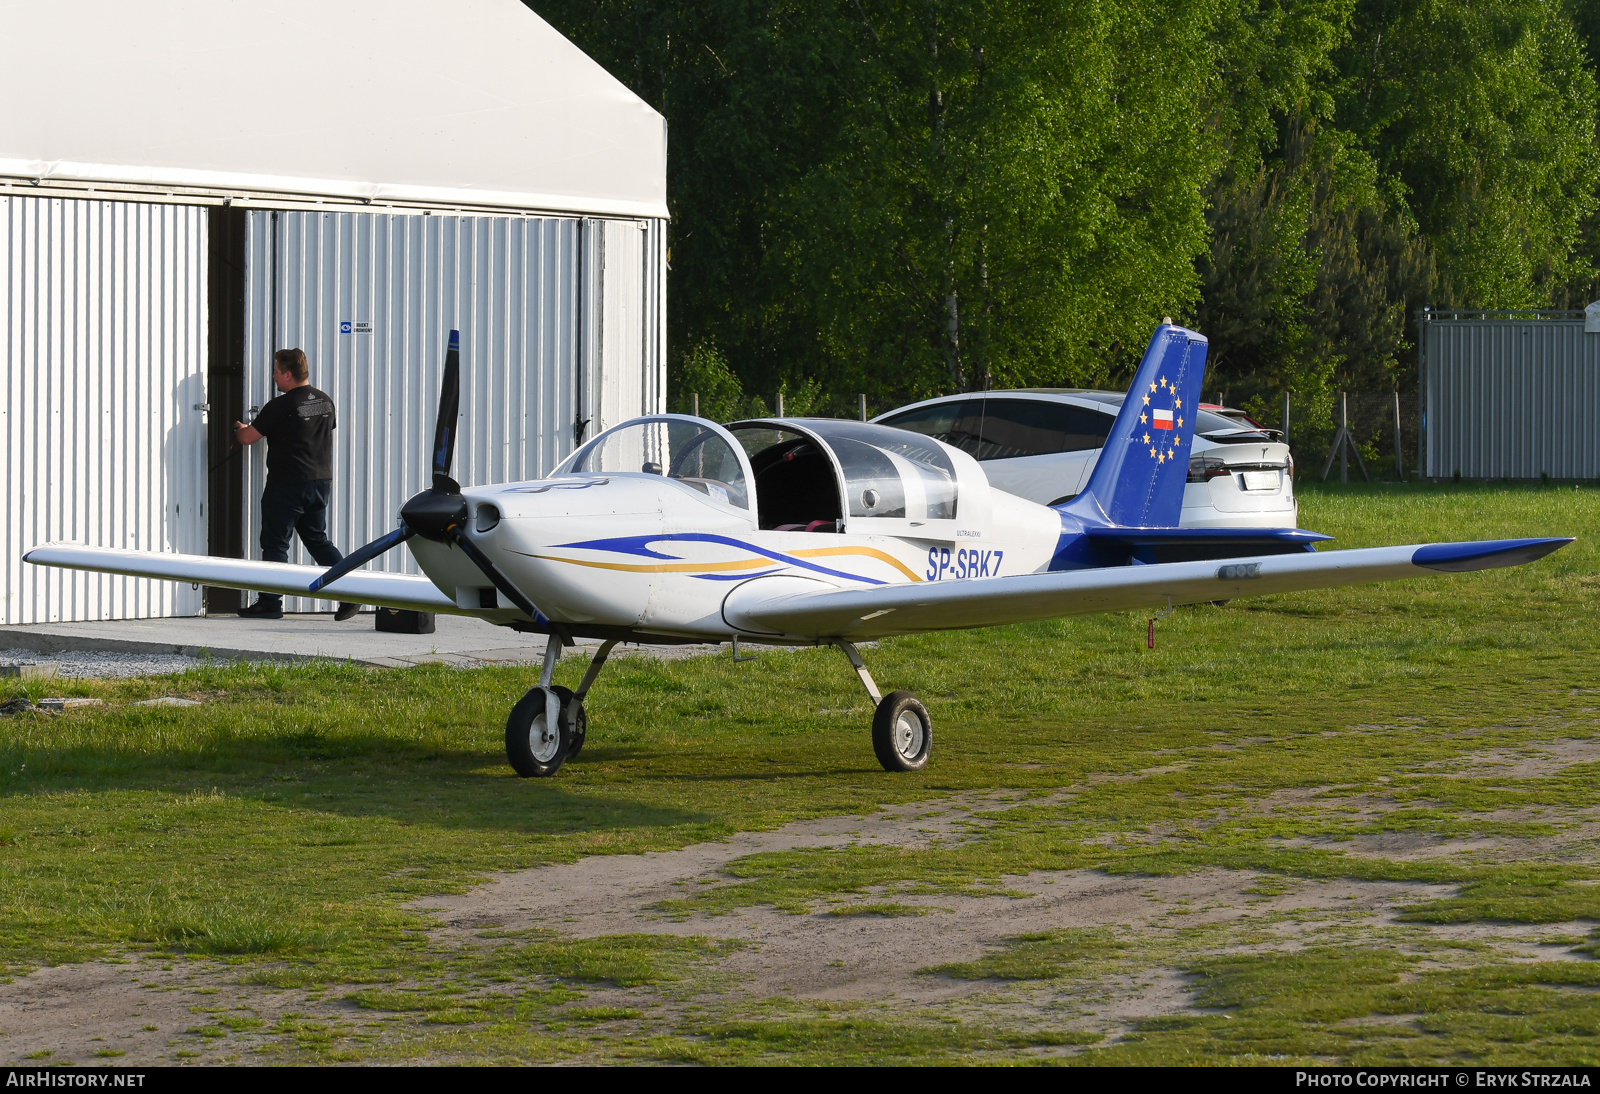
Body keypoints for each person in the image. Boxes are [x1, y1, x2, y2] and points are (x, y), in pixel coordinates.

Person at [233, 349, 358, 621]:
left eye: (276, 372)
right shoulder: (325, 402)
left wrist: (238, 428)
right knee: (318, 540)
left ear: (288, 374)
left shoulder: (280, 406)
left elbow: (247, 438)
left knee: (276, 543)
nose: (274, 377)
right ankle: (351, 592)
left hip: (287, 484)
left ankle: (270, 603)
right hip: (319, 482)